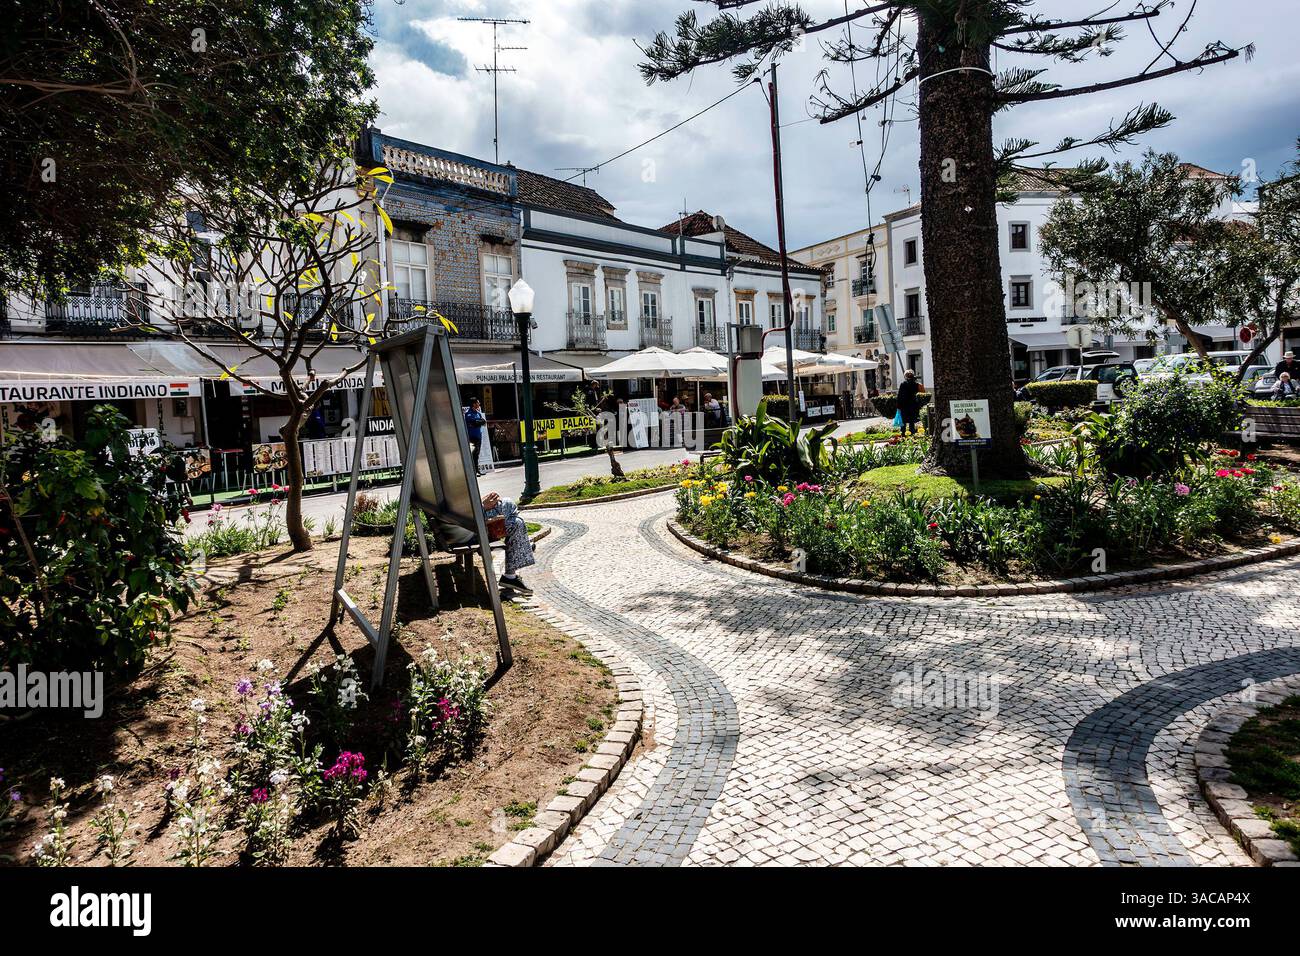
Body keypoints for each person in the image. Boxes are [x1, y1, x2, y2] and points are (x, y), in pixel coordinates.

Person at [481, 492, 535, 594]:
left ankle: (511, 574)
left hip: (469, 525)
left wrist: (482, 503)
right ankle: (510, 575)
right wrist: (483, 506)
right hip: (472, 530)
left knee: (508, 505)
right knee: (516, 522)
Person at [464, 398, 487, 475]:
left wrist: (478, 422)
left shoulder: (478, 413)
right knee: (473, 454)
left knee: (477, 454)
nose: (479, 404)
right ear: (473, 404)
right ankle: (473, 471)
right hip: (471, 437)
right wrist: (478, 422)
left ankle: (477, 470)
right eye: (478, 403)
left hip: (478, 437)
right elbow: (473, 422)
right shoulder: (468, 413)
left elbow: (483, 422)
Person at [897, 369, 921, 436]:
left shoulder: (903, 384)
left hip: (904, 406)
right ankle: (912, 435)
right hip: (913, 405)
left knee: (903, 422)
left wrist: (898, 406)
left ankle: (903, 436)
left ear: (905, 376)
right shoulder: (916, 384)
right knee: (911, 422)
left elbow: (900, 396)